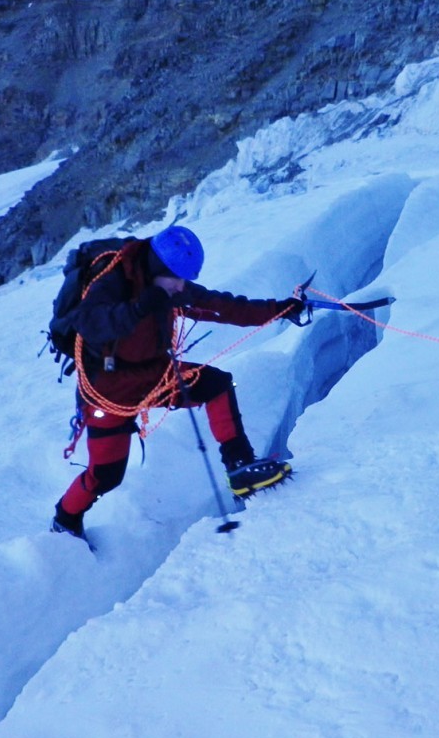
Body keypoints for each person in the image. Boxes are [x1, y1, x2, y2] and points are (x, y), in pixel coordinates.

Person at [51, 225, 304, 540]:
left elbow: (220, 306)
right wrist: (141, 306)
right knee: (106, 475)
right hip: (109, 389)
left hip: (154, 375)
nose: (181, 287)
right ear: (158, 268)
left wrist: (280, 309)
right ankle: (64, 519)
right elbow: (90, 324)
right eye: (177, 279)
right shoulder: (113, 281)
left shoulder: (169, 284)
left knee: (216, 384)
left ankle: (240, 468)